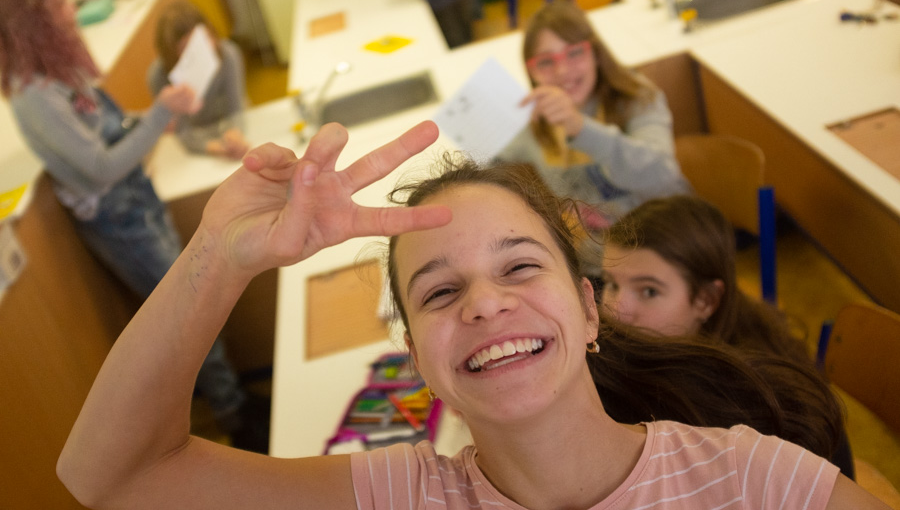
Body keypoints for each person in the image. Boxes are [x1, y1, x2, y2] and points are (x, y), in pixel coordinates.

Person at [56, 120, 888, 509]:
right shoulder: (403, 495)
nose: (486, 303)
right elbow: (112, 475)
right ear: (417, 360)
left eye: (520, 266)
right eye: (439, 293)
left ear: (588, 310)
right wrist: (217, 254)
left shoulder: (749, 478)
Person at [0, 0, 265, 454]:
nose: (72, 10)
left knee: (198, 304)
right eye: (60, 3)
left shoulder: (55, 71)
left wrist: (151, 117)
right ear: (30, 19)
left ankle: (237, 401)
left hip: (139, 200)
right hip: (121, 221)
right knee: (190, 316)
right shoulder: (33, 98)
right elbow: (101, 167)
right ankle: (235, 416)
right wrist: (161, 114)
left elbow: (111, 129)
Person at [599, 194, 856, 477]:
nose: (616, 310)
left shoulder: (744, 407)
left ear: (706, 300)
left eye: (649, 291)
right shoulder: (652, 343)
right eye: (611, 284)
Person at [495, 0, 690, 233]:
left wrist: (580, 128)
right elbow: (494, 167)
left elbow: (662, 175)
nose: (562, 70)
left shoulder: (637, 97)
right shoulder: (533, 121)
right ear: (531, 71)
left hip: (668, 232)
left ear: (596, 54)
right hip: (601, 246)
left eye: (575, 53)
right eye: (546, 62)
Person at [147, 0, 250, 160]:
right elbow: (181, 129)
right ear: (172, 54)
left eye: (204, 39)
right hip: (196, 141)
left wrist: (235, 134)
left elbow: (236, 108)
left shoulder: (228, 54)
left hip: (230, 127)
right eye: (188, 48)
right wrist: (214, 148)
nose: (203, 49)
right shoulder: (158, 75)